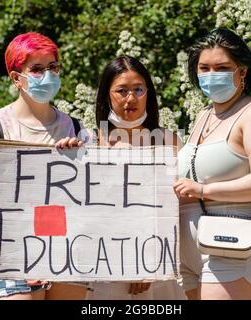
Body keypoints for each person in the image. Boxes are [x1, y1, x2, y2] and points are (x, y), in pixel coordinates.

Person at [0, 32, 86, 300]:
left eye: (53, 67)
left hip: (69, 255)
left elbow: (95, 200)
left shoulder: (77, 130)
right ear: (16, 78)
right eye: (37, 69)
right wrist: (11, 245)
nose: (48, 75)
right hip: (16, 255)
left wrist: (81, 163)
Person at [56, 55, 186, 300]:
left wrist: (152, 262)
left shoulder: (169, 142)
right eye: (121, 90)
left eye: (138, 89)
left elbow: (179, 207)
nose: (131, 98)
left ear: (148, 92)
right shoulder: (89, 142)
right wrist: (66, 156)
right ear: (106, 95)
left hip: (156, 271)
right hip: (103, 269)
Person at [173, 28, 251, 300]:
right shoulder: (204, 115)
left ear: (242, 71)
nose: (211, 75)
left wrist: (202, 191)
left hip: (231, 247)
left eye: (222, 67)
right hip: (192, 255)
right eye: (204, 67)